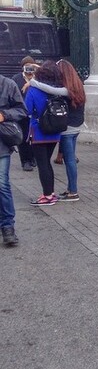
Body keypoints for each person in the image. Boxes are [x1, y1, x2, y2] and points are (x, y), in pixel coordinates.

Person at [31, 59, 85, 202]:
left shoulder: (67, 90)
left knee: (69, 160)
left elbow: (51, 90)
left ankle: (73, 192)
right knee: (70, 158)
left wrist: (33, 82)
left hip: (67, 128)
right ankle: (70, 189)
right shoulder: (78, 85)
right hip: (77, 126)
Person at [24, 60, 64, 206]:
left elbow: (27, 110)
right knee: (47, 162)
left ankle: (47, 196)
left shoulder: (33, 90)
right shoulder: (59, 89)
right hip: (55, 131)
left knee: (43, 165)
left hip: (39, 131)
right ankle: (51, 193)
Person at [0, 73, 28, 245]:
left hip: (1, 146)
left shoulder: (7, 84)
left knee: (2, 185)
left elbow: (22, 110)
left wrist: (4, 115)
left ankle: (7, 226)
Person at [10, 56, 38, 171]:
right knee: (23, 138)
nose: (29, 69)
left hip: (36, 114)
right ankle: (25, 161)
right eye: (27, 66)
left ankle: (33, 157)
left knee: (34, 137)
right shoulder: (16, 79)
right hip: (22, 113)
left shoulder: (38, 78)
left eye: (31, 66)